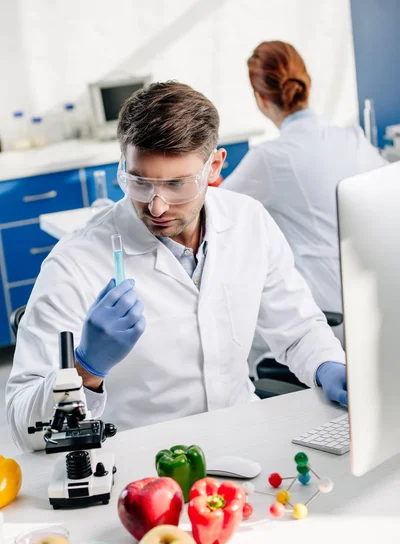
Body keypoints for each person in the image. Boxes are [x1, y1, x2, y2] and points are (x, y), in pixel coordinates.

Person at [6, 81, 347, 453]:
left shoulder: (249, 221)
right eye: (139, 182)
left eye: (176, 184)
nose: (156, 206)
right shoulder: (75, 262)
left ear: (213, 167)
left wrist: (328, 364)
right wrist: (85, 370)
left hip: (248, 443)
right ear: (124, 167)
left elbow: (296, 329)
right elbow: (21, 425)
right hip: (143, 466)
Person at [221, 41, 387, 372]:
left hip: (327, 317)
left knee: (234, 331)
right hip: (376, 304)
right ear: (305, 81)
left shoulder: (269, 158)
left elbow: (211, 212)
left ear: (260, 98)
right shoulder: (353, 137)